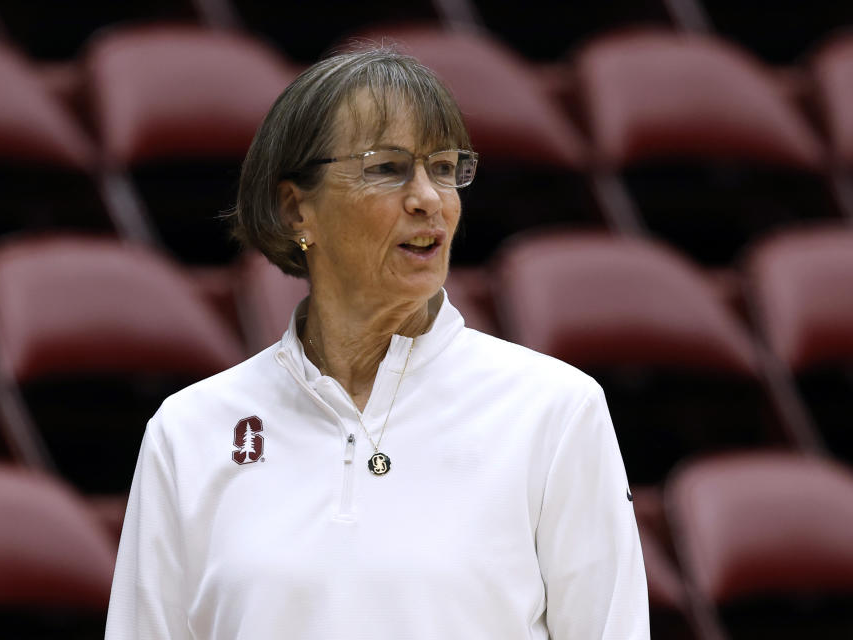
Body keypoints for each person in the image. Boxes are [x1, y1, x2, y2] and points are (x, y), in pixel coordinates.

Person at [105, 47, 649, 640]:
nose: (429, 199)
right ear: (296, 210)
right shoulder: (188, 431)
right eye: (387, 169)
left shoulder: (558, 410)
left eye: (444, 168)